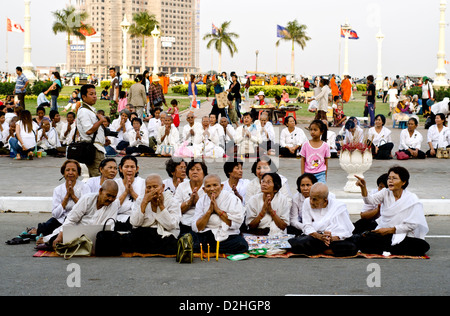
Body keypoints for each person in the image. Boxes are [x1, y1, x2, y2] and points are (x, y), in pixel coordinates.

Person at [354, 166, 430, 256]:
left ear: (403, 182)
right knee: (365, 239)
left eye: (394, 178)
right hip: (382, 233)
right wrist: (363, 188)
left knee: (423, 246)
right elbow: (369, 200)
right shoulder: (385, 192)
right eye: (389, 178)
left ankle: (384, 248)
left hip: (400, 234)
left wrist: (390, 230)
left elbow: (412, 225)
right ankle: (388, 248)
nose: (390, 181)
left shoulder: (412, 199)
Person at [288, 183, 358, 257]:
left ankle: (319, 250)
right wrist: (320, 237)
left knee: (352, 247)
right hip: (315, 237)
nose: (311, 202)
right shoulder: (306, 202)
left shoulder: (338, 206)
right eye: (310, 198)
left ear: (325, 200)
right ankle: (326, 250)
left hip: (333, 239)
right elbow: (307, 226)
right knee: (298, 242)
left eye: (315, 199)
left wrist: (331, 238)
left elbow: (345, 231)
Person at [46, 179, 120, 249]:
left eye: (113, 197)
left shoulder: (114, 205)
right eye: (108, 195)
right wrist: (60, 236)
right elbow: (71, 219)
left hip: (97, 239)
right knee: (54, 241)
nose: (110, 199)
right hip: (76, 235)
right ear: (100, 191)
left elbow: (109, 228)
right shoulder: (87, 199)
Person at [27, 160, 90, 241]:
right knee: (47, 227)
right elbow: (55, 214)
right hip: (61, 219)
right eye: (67, 170)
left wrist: (73, 196)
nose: (70, 172)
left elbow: (86, 210)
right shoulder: (58, 189)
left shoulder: (85, 187)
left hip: (77, 219)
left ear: (78, 174)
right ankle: (40, 231)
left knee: (60, 233)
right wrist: (67, 197)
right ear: (63, 173)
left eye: (73, 170)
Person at [191, 174, 249, 254]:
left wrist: (218, 210)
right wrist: (209, 212)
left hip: (228, 235)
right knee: (191, 238)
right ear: (204, 189)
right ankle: (210, 248)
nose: (212, 189)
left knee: (242, 245)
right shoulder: (201, 201)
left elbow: (236, 224)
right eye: (208, 186)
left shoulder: (231, 198)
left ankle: (208, 249)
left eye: (215, 185)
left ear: (221, 186)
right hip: (208, 234)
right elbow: (196, 227)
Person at [126, 174, 181, 255]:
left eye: (155, 187)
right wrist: (144, 203)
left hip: (163, 234)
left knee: (172, 244)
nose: (152, 190)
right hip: (144, 233)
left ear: (162, 187)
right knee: (127, 240)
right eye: (149, 187)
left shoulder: (172, 200)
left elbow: (172, 225)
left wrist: (161, 206)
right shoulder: (141, 199)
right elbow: (134, 223)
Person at [76, 84, 107, 177]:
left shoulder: (90, 111)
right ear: (84, 97)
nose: (94, 96)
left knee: (98, 177)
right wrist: (101, 120)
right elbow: (89, 130)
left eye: (95, 94)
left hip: (97, 147)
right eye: (91, 94)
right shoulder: (84, 111)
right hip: (94, 149)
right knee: (97, 178)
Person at [173, 159, 207, 237]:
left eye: (198, 169)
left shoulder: (208, 187)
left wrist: (198, 202)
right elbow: (176, 209)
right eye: (192, 170)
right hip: (184, 224)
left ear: (204, 173)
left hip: (202, 224)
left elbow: (209, 210)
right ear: (188, 173)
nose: (195, 172)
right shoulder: (182, 186)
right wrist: (190, 202)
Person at [115, 155, 145, 231]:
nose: (129, 170)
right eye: (126, 167)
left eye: (132, 167)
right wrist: (125, 192)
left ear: (137, 169)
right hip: (118, 218)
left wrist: (132, 192)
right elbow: (112, 207)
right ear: (120, 168)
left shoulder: (143, 183)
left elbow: (146, 204)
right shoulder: (115, 184)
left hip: (138, 219)